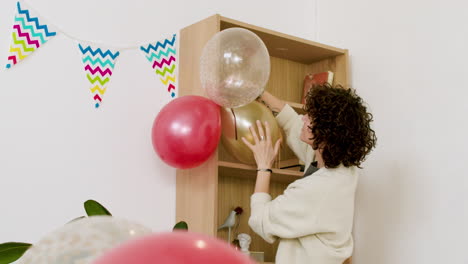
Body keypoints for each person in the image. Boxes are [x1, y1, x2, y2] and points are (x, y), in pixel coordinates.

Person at [241, 83, 377, 264]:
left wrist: (264, 166)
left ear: (325, 134)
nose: (303, 119)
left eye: (310, 118)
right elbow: (291, 121)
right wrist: (259, 92)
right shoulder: (341, 168)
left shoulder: (318, 189)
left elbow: (261, 220)